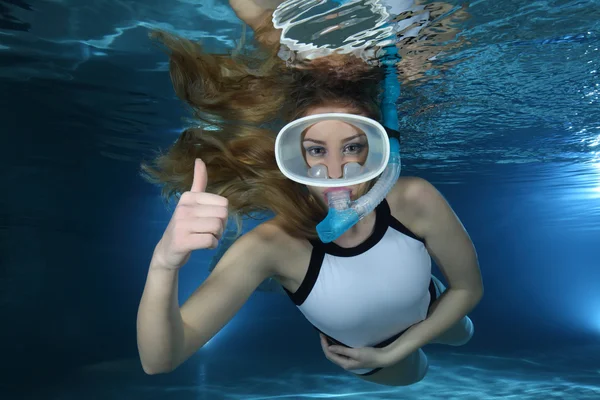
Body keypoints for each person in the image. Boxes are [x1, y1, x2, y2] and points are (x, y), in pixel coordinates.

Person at [137, 0, 483, 387]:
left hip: (428, 307)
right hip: (367, 355)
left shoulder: (414, 199)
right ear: (293, 156)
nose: (336, 174)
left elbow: (469, 288)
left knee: (461, 331)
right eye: (316, 151)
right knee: (415, 374)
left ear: (379, 149)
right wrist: (164, 263)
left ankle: (435, 312)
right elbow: (159, 360)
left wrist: (396, 348)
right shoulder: (271, 247)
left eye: (352, 148)